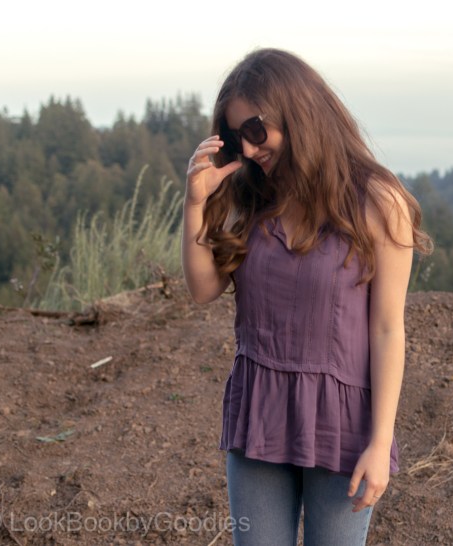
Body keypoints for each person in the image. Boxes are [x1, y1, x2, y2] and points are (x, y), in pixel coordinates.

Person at [181, 48, 432, 545]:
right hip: (259, 414)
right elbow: (203, 289)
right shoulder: (254, 195)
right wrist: (194, 202)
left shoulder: (379, 202)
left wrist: (380, 443)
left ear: (297, 110)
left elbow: (386, 330)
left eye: (256, 131)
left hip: (344, 426)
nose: (249, 151)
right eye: (237, 139)